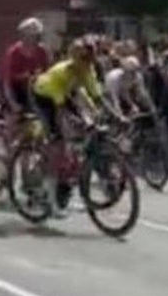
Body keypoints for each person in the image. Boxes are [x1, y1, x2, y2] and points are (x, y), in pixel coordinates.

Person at [33, 38, 113, 216]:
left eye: (90, 60)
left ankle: (69, 175)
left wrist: (116, 115)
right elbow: (61, 109)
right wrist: (76, 121)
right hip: (45, 95)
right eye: (83, 60)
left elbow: (97, 97)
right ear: (75, 59)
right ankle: (51, 198)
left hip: (67, 92)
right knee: (58, 143)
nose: (87, 64)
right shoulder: (63, 71)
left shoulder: (87, 68)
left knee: (87, 126)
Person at [2, 17, 48, 114]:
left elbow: (46, 73)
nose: (32, 39)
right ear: (23, 35)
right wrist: (13, 104)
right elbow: (7, 81)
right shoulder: (13, 52)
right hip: (15, 90)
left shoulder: (42, 51)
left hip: (35, 90)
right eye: (29, 35)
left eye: (35, 36)